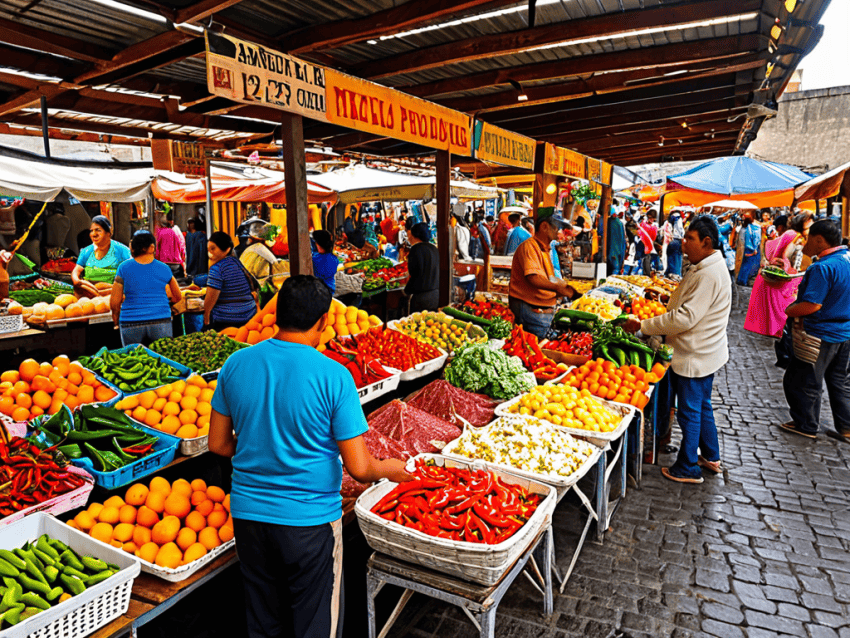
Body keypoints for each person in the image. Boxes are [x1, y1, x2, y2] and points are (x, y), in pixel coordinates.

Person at [208, 275, 410, 638]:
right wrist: (391, 469)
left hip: (249, 519)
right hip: (309, 523)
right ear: (321, 322)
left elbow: (219, 445)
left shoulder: (236, 364)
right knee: (316, 625)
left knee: (264, 621)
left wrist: (261, 449)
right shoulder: (334, 376)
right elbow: (360, 468)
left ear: (277, 314)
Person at [637, 216, 732, 483]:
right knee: (702, 406)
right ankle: (710, 456)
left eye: (689, 238)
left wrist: (644, 326)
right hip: (705, 352)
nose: (683, 243)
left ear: (707, 242)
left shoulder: (709, 273)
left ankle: (688, 466)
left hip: (695, 353)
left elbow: (685, 318)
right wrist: (669, 299)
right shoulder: (704, 266)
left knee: (690, 410)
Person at [778, 220, 850, 440]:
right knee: (839, 381)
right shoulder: (846, 260)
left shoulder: (822, 267)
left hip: (821, 334)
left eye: (809, 238)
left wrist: (788, 309)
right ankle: (847, 427)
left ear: (819, 240)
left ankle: (806, 424)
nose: (806, 242)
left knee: (805, 379)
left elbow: (812, 305)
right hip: (845, 333)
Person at [508, 207, 578, 338]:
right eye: (556, 227)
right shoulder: (529, 247)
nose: (559, 231)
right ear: (545, 226)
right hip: (531, 311)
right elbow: (533, 278)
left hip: (542, 312)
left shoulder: (544, 249)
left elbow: (548, 277)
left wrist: (562, 286)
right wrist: (559, 287)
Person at [744, 212, 813, 338]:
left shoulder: (800, 237)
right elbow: (782, 255)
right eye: (808, 224)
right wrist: (787, 267)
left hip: (791, 274)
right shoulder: (793, 235)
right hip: (785, 275)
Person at [110, 230, 182, 347]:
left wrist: (115, 320)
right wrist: (167, 305)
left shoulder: (123, 268)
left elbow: (115, 301)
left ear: (133, 248)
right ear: (152, 247)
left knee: (135, 360)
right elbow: (178, 296)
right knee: (161, 360)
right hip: (160, 320)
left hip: (130, 322)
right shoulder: (164, 268)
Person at [205, 231, 257, 331]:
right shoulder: (235, 261)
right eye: (208, 249)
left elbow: (211, 297)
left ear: (227, 249)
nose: (209, 253)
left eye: (213, 249)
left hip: (228, 319)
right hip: (249, 314)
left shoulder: (217, 268)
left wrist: (206, 317)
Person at [71, 215, 132, 298]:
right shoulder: (86, 251)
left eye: (98, 230)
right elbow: (76, 270)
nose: (93, 234)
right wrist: (76, 280)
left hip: (115, 294)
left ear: (108, 233)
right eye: (91, 231)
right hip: (89, 295)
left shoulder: (122, 250)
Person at [404, 222, 440, 312]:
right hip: (436, 296)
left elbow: (414, 273)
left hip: (420, 298)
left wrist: (406, 290)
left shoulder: (415, 249)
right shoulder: (434, 249)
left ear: (414, 235)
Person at [240, 221, 287, 287]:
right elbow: (275, 263)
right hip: (247, 282)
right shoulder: (260, 248)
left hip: (247, 279)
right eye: (278, 237)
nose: (280, 239)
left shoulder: (257, 247)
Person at [155, 213, 186, 278]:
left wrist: (156, 261)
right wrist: (182, 260)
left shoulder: (160, 233)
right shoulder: (173, 232)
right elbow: (180, 247)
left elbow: (158, 249)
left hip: (164, 263)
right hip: (176, 264)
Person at [735, 210, 762, 286]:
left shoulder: (743, 228)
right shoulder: (756, 227)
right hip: (752, 251)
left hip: (745, 250)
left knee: (744, 265)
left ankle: (740, 279)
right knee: (750, 267)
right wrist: (756, 248)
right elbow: (757, 239)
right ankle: (745, 281)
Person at [663, 211, 685, 276]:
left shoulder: (670, 220)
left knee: (671, 264)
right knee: (676, 265)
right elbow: (680, 231)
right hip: (677, 242)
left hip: (673, 242)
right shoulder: (678, 218)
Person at [606, 210, 627, 276]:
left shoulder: (608, 222)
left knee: (614, 270)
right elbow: (623, 240)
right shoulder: (620, 223)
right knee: (615, 270)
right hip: (618, 251)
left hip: (611, 251)